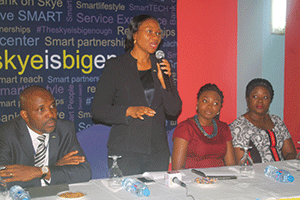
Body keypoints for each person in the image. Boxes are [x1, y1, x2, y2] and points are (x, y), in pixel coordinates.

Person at [91, 14, 182, 176]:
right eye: (149, 31)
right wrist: (128, 111)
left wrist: (164, 82)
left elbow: (174, 110)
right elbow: (98, 110)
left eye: (158, 33)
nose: (155, 37)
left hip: (157, 152)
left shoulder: (161, 66)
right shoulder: (116, 66)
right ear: (134, 35)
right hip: (126, 151)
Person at [0, 85, 91, 189]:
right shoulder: (6, 134)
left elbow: (84, 172)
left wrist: (41, 171)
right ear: (25, 115)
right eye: (41, 109)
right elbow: (3, 181)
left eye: (52, 106)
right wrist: (53, 171)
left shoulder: (65, 129)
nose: (50, 115)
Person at [230, 78, 297, 163]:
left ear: (270, 100)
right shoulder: (239, 126)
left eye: (265, 97)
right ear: (247, 98)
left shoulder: (277, 121)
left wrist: (291, 166)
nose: (260, 101)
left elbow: (289, 153)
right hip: (257, 173)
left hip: (283, 172)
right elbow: (242, 161)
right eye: (255, 96)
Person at [172, 84, 236, 170]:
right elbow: (177, 168)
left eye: (215, 103)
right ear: (198, 103)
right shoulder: (185, 127)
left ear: (219, 108)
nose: (210, 106)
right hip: (194, 179)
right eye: (205, 101)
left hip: (221, 178)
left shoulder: (223, 127)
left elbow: (231, 165)